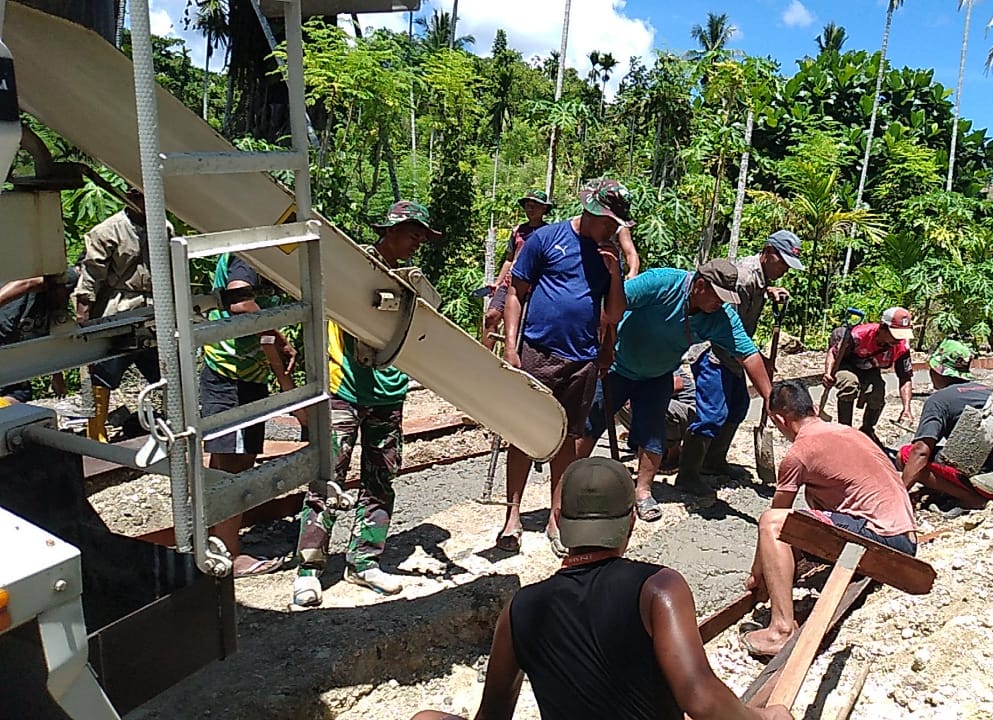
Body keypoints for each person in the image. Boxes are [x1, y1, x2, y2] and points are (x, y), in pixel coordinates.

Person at [411, 457, 793, 720]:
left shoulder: (520, 609)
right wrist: (765, 715)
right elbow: (702, 699)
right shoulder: (658, 589)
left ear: (558, 519)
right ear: (629, 522)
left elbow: (492, 717)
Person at [292, 200, 441, 606]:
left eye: (421, 238)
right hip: (346, 389)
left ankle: (364, 560)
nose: (416, 243)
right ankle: (308, 569)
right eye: (413, 235)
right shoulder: (352, 270)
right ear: (392, 230)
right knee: (328, 478)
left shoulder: (413, 280)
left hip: (388, 392)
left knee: (380, 480)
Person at [496, 179, 628, 556]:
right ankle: (513, 515)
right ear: (591, 212)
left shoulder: (608, 254)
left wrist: (615, 274)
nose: (612, 229)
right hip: (538, 351)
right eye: (609, 222)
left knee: (569, 440)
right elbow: (516, 294)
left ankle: (556, 516)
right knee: (523, 434)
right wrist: (511, 346)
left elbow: (614, 313)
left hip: (582, 358)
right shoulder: (545, 240)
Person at [583, 260, 773, 520]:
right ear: (700, 285)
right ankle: (574, 481)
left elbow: (748, 355)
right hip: (617, 365)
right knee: (589, 426)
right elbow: (612, 303)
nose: (720, 304)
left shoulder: (721, 317)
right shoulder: (660, 283)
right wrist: (605, 344)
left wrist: (770, 399)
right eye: (717, 297)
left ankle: (643, 492)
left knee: (653, 435)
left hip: (658, 374)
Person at [742, 381, 916, 657]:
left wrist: (757, 572)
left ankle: (780, 630)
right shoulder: (849, 432)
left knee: (771, 522)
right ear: (815, 408)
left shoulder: (799, 453)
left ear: (778, 419)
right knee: (814, 497)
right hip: (905, 535)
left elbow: (777, 516)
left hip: (883, 538)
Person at [200, 253, 305, 577]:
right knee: (234, 466)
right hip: (231, 377)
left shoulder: (255, 252)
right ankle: (229, 555)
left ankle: (217, 542)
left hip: (243, 374)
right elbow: (240, 301)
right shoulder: (250, 255)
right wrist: (280, 335)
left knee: (230, 463)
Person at [679, 231, 803, 488]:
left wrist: (768, 289)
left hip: (732, 355)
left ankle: (713, 461)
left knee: (738, 406)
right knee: (712, 414)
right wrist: (757, 360)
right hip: (714, 352)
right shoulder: (744, 278)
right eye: (781, 263)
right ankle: (688, 473)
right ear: (768, 251)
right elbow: (725, 328)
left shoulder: (758, 277)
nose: (784, 270)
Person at [73, 188, 170, 441]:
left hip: (155, 308)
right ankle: (96, 433)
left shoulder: (164, 227)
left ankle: (176, 424)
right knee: (102, 372)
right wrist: (83, 315)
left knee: (165, 368)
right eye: (137, 197)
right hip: (118, 308)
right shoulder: (108, 230)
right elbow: (91, 274)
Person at [899, 340, 993, 509]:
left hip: (981, 483)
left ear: (937, 370)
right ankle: (946, 491)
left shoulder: (939, 400)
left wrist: (899, 494)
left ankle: (970, 498)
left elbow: (920, 452)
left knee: (905, 455)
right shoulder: (990, 392)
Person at [823, 307, 915, 435]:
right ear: (882, 327)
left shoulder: (901, 347)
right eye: (895, 335)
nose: (898, 340)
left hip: (870, 368)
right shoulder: (858, 335)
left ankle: (868, 430)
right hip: (847, 364)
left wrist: (906, 409)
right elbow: (833, 353)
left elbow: (905, 378)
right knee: (849, 385)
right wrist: (828, 373)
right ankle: (845, 430)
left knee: (877, 392)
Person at [482, 190, 553, 352]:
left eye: (534, 206)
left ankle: (512, 361)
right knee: (491, 316)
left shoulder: (549, 233)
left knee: (518, 327)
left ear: (544, 209)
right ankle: (484, 355)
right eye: (528, 206)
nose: (530, 209)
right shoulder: (518, 231)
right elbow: (509, 259)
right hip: (510, 281)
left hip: (532, 287)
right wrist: (498, 283)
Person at [0, 268, 77, 406]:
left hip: (15, 343)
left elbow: (54, 329)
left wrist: (56, 374)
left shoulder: (64, 282)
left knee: (18, 392)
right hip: (8, 331)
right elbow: (28, 283)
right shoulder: (67, 276)